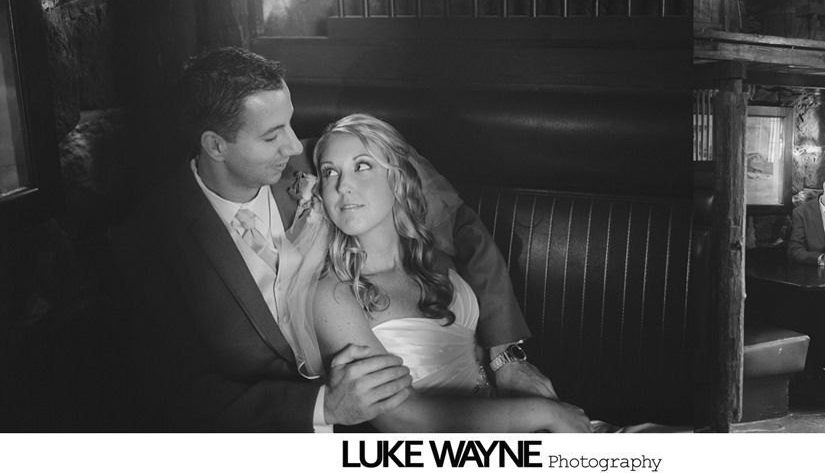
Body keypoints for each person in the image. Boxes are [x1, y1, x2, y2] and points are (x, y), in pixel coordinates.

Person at [112, 47, 549, 431]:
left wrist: (503, 351)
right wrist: (322, 406)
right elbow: (176, 399)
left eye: (289, 123)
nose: (291, 145)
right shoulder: (149, 243)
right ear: (215, 145)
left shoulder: (327, 162)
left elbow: (459, 223)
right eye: (271, 135)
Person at [284, 114, 591, 432]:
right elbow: (398, 416)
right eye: (329, 172)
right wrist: (544, 414)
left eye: (362, 165)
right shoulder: (335, 294)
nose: (342, 185)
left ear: (397, 177)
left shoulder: (434, 258)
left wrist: (506, 360)